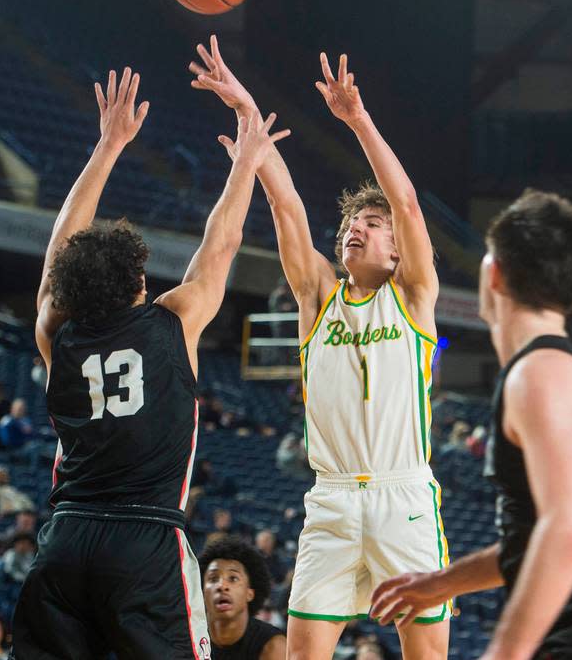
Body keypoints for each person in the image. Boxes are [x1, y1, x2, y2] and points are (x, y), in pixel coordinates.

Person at [10, 66, 288, 659]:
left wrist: (107, 146)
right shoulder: (172, 323)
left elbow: (60, 248)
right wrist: (246, 161)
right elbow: (222, 243)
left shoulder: (57, 334)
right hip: (145, 540)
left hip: (65, 539)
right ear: (139, 281)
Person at [190, 36, 449, 658]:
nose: (354, 228)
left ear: (396, 248)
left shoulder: (413, 296)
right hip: (331, 498)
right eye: (349, 224)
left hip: (402, 495)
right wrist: (245, 111)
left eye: (371, 224)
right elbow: (283, 202)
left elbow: (408, 203)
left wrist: (356, 119)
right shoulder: (316, 297)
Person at [370, 191, 572, 658]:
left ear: (493, 274)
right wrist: (441, 584)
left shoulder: (541, 375)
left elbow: (567, 527)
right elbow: (536, 537)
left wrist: (504, 652)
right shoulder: (549, 370)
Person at [199, 536, 286, 660]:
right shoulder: (186, 637)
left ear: (250, 593)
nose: (222, 586)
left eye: (233, 578)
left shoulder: (273, 645)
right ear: (202, 593)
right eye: (213, 579)